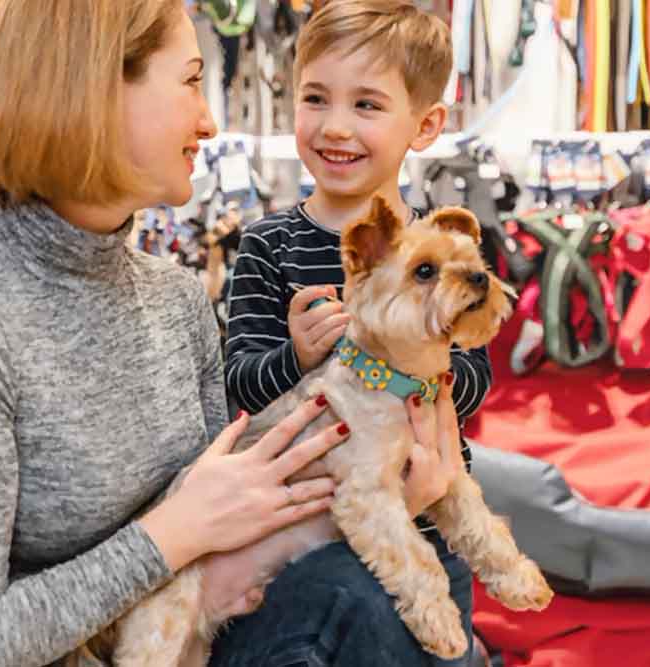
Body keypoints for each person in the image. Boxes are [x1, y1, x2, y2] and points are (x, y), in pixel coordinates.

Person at [0, 2, 461, 666]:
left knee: (390, 593)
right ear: (90, 92)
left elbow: (223, 533)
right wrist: (170, 536)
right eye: (188, 82)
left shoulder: (174, 297)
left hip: (167, 635)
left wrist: (385, 499)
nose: (208, 121)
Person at [219, 1, 493, 665]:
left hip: (422, 528)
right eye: (316, 98)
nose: (334, 126)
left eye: (367, 105)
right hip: (303, 538)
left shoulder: (443, 248)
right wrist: (298, 354)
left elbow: (476, 374)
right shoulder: (266, 247)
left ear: (425, 124)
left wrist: (425, 363)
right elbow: (239, 380)